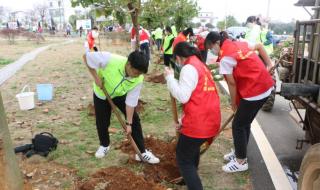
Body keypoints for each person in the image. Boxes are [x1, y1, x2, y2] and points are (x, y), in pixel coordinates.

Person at [205, 31, 274, 173]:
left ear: (217, 43)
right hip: (265, 86)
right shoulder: (239, 42)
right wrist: (269, 64)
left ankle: (241, 161)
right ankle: (239, 152)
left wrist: (234, 103)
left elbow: (231, 83)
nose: (211, 50)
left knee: (238, 125)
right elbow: (260, 46)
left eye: (210, 47)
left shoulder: (225, 58)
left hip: (254, 91)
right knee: (244, 123)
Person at [82, 50, 160, 164]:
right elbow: (86, 57)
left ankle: (142, 152)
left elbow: (131, 102)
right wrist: (96, 77)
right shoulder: (109, 59)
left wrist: (128, 123)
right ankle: (104, 145)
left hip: (119, 94)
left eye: (140, 74)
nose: (137, 76)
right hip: (102, 92)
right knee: (102, 121)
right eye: (136, 72)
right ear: (128, 64)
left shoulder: (138, 79)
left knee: (134, 119)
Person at [164, 42, 221, 190]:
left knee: (183, 159)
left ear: (178, 57)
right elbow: (197, 97)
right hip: (209, 119)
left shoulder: (189, 68)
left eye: (176, 60)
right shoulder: (200, 64)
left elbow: (183, 96)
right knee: (192, 149)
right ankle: (190, 177)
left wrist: (170, 78)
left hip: (199, 123)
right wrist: (183, 121)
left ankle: (191, 179)